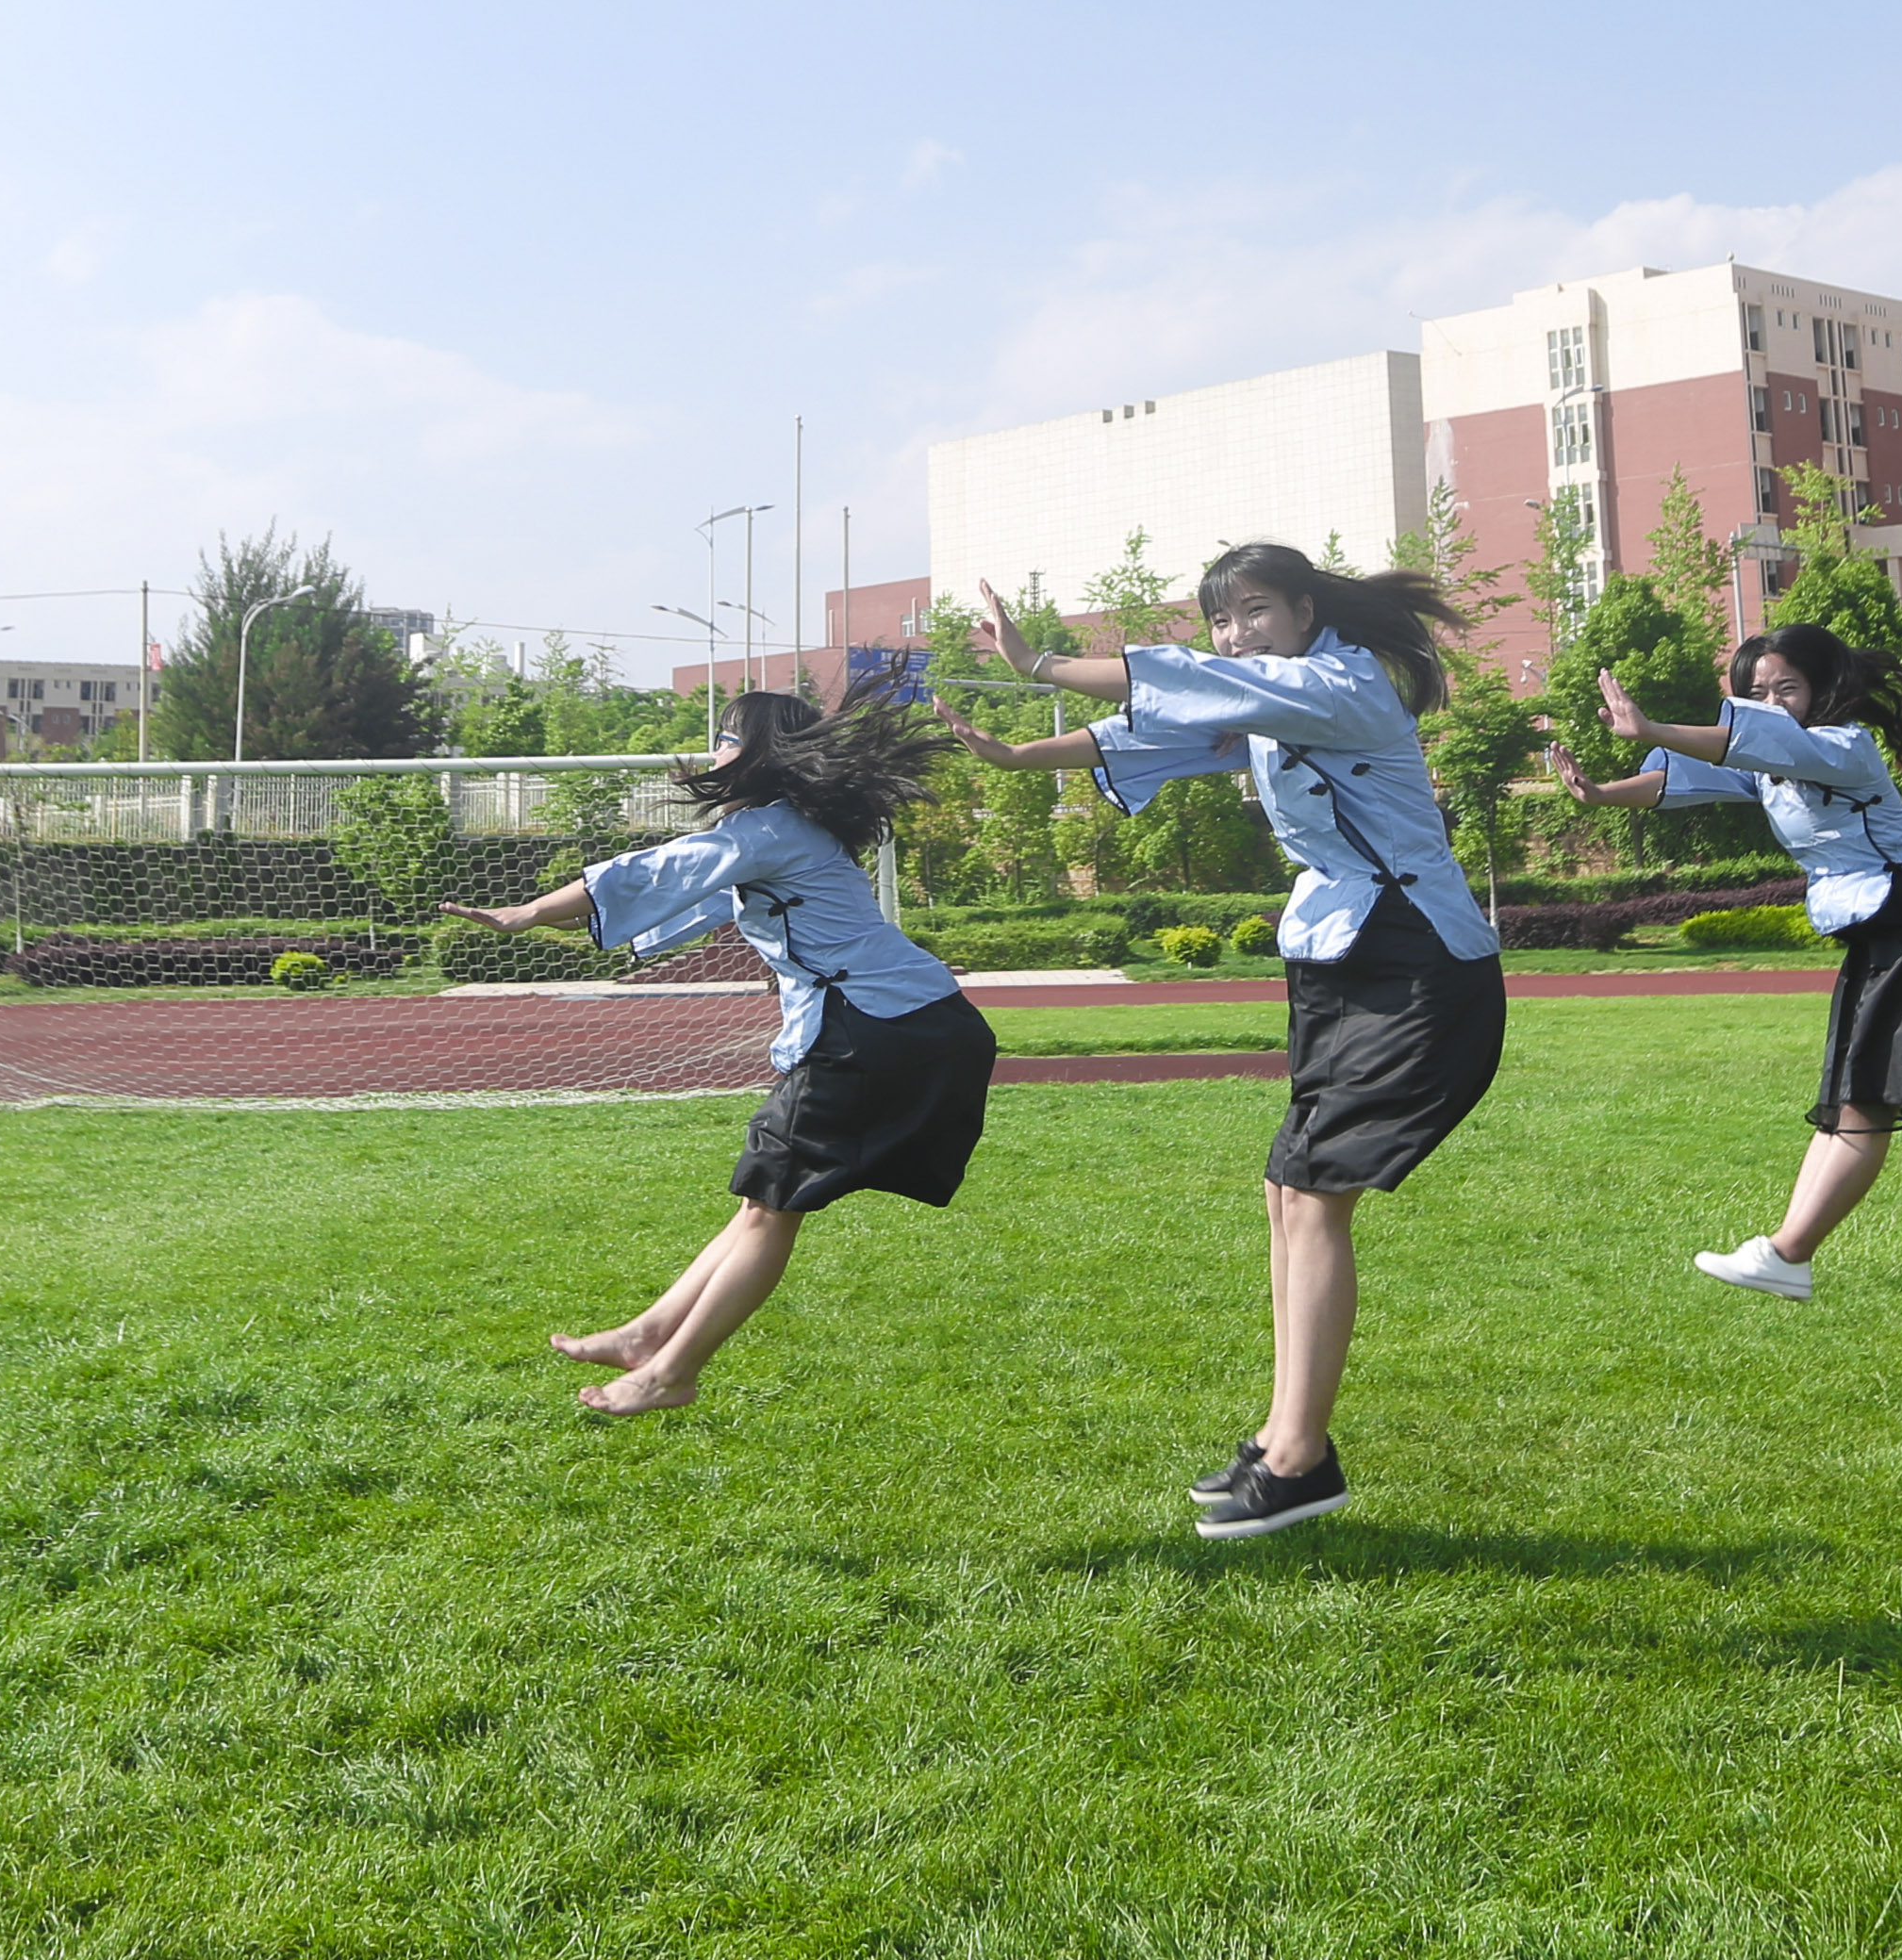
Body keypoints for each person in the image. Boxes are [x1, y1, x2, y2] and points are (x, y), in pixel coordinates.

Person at [949, 541, 1492, 1540]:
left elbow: (1192, 684)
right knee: (1289, 1190)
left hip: (1417, 961)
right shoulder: (1276, 698)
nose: (1236, 635)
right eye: (1222, 620)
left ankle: (1300, 1459)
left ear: (1304, 610)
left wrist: (1039, 666)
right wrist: (1018, 759)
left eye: (1255, 611)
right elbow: (1163, 732)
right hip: (1341, 959)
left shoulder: (1338, 683)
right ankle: (1286, 1436)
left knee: (1316, 1195)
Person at [445, 681, 997, 1418]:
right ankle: (648, 1336)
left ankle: (669, 1374)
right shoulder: (782, 832)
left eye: (728, 740)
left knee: (770, 1210)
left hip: (877, 1029)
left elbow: (655, 872)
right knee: (761, 1203)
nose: (715, 754)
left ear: (763, 753)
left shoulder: (767, 831)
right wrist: (561, 920)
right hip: (903, 1023)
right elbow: (683, 898)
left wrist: (529, 912)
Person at [1546, 619, 1902, 1300]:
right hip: (1881, 936)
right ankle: (1785, 1255)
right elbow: (1684, 779)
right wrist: (1602, 794)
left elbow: (1749, 743)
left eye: (1788, 688)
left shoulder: (1843, 746)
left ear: (1823, 688)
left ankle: (1788, 1254)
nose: (1772, 703)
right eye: (1757, 693)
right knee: (1844, 1103)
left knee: (1866, 1104)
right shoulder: (1773, 768)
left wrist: (1652, 727)